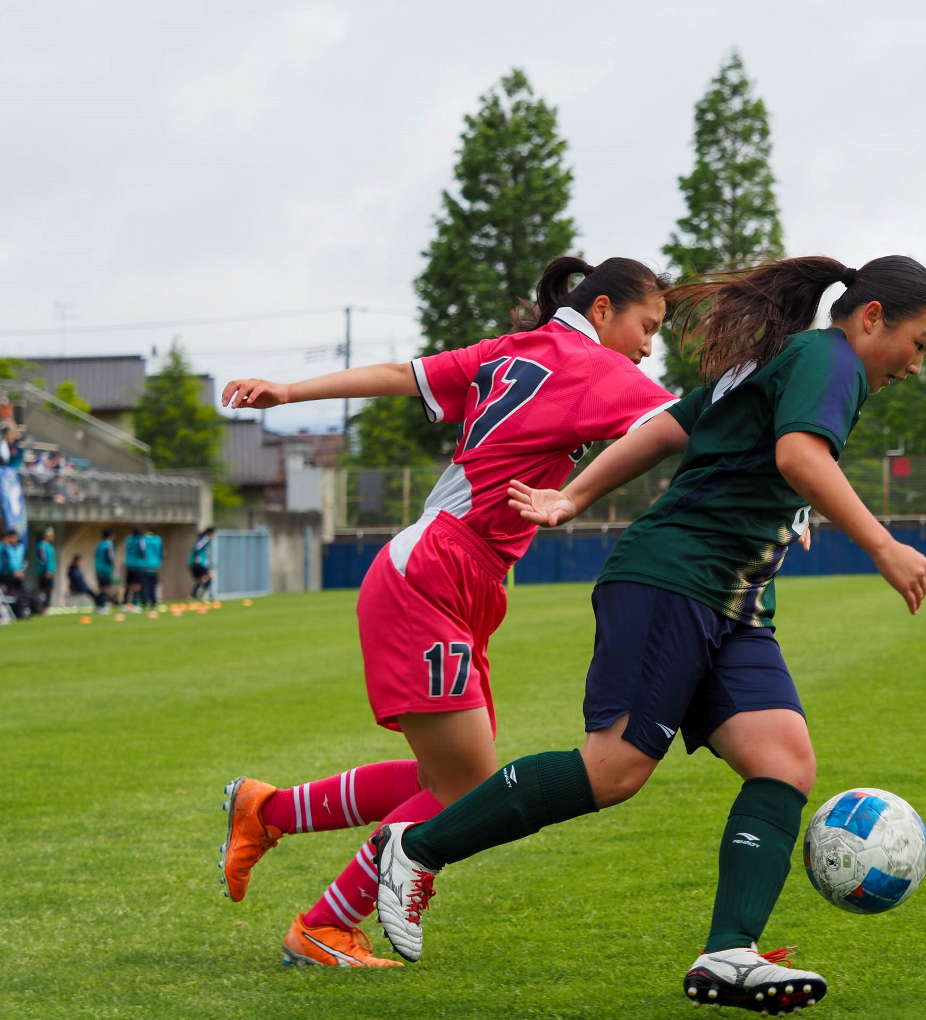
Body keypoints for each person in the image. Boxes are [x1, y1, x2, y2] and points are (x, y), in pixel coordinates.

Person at [367, 254, 926, 1014]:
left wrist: (572, 498)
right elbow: (799, 455)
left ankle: (728, 954)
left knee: (783, 758)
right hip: (673, 579)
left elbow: (670, 425)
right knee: (613, 770)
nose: (915, 364)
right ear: (872, 317)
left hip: (733, 598)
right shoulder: (829, 359)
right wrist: (883, 545)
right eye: (921, 342)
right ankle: (416, 848)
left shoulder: (789, 359)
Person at [216, 256, 687, 968]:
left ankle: (268, 811)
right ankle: (323, 926)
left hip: (448, 570)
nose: (648, 346)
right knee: (467, 788)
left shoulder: (514, 348)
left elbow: (399, 376)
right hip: (438, 572)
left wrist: (288, 392)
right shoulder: (592, 364)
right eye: (646, 327)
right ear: (601, 312)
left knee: (450, 779)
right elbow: (688, 425)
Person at [122, 526, 146, 610]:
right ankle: (135, 605)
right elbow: (142, 550)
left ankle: (124, 605)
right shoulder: (140, 540)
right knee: (137, 586)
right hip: (138, 564)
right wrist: (144, 556)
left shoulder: (128, 539)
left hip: (129, 564)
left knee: (129, 585)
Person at [35, 527, 56, 614]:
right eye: (52, 535)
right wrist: (47, 570)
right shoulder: (42, 545)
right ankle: (42, 608)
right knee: (43, 590)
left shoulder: (48, 546)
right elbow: (43, 559)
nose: (53, 536)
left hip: (49, 572)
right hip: (45, 572)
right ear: (47, 535)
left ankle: (46, 608)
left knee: (49, 589)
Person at [190, 527, 214, 600]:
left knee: (201, 580)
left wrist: (206, 554)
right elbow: (197, 547)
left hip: (197, 563)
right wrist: (197, 556)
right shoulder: (205, 538)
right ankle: (204, 595)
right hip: (199, 563)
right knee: (210, 576)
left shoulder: (205, 539)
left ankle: (194, 596)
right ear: (211, 533)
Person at [95, 528, 117, 610]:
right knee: (105, 588)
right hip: (106, 569)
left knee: (101, 588)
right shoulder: (109, 544)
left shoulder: (99, 544)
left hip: (98, 569)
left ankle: (99, 605)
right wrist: (114, 565)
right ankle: (102, 605)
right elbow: (110, 557)